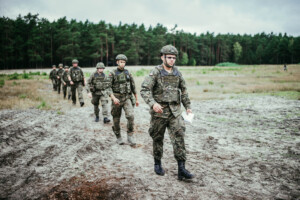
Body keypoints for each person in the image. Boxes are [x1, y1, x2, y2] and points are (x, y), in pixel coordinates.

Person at [140, 45, 195, 180]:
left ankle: (181, 169)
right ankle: (157, 163)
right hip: (160, 112)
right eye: (169, 57)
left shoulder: (177, 73)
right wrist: (153, 104)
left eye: (174, 58)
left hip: (175, 112)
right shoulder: (156, 72)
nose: (172, 60)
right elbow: (144, 90)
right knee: (157, 138)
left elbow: (184, 90)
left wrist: (187, 106)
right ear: (162, 57)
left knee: (179, 137)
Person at [109, 54, 139, 146]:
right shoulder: (112, 73)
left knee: (130, 116)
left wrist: (136, 99)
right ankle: (118, 137)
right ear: (117, 62)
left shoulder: (128, 73)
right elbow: (108, 88)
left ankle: (130, 135)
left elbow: (133, 86)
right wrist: (113, 98)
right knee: (116, 119)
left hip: (126, 98)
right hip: (116, 99)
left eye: (124, 62)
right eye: (121, 62)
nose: (122, 64)